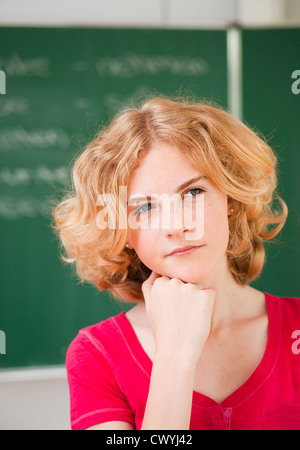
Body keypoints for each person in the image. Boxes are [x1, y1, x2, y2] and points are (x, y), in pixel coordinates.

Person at [52, 96, 300, 430]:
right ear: (120, 231)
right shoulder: (96, 355)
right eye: (144, 208)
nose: (176, 226)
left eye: (193, 193)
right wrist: (174, 357)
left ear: (229, 197)